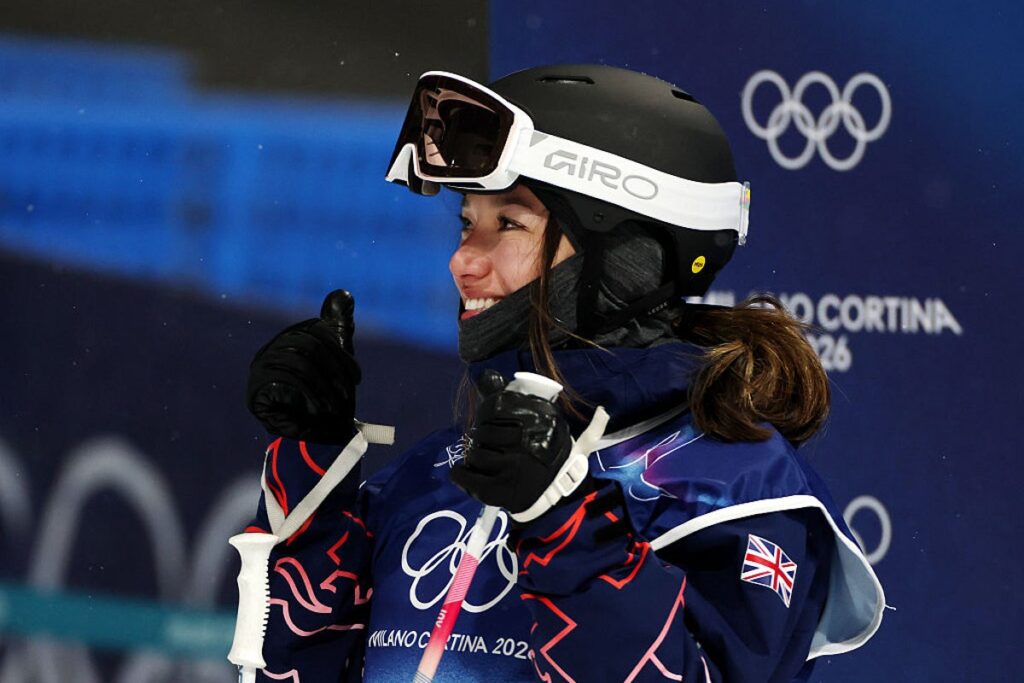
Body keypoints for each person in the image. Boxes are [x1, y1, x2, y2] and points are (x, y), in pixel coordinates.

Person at [236, 64, 884, 682]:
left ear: (628, 255)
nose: (464, 260)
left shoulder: (737, 489)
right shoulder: (445, 468)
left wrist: (565, 526)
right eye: (467, 222)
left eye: (508, 223)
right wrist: (312, 474)